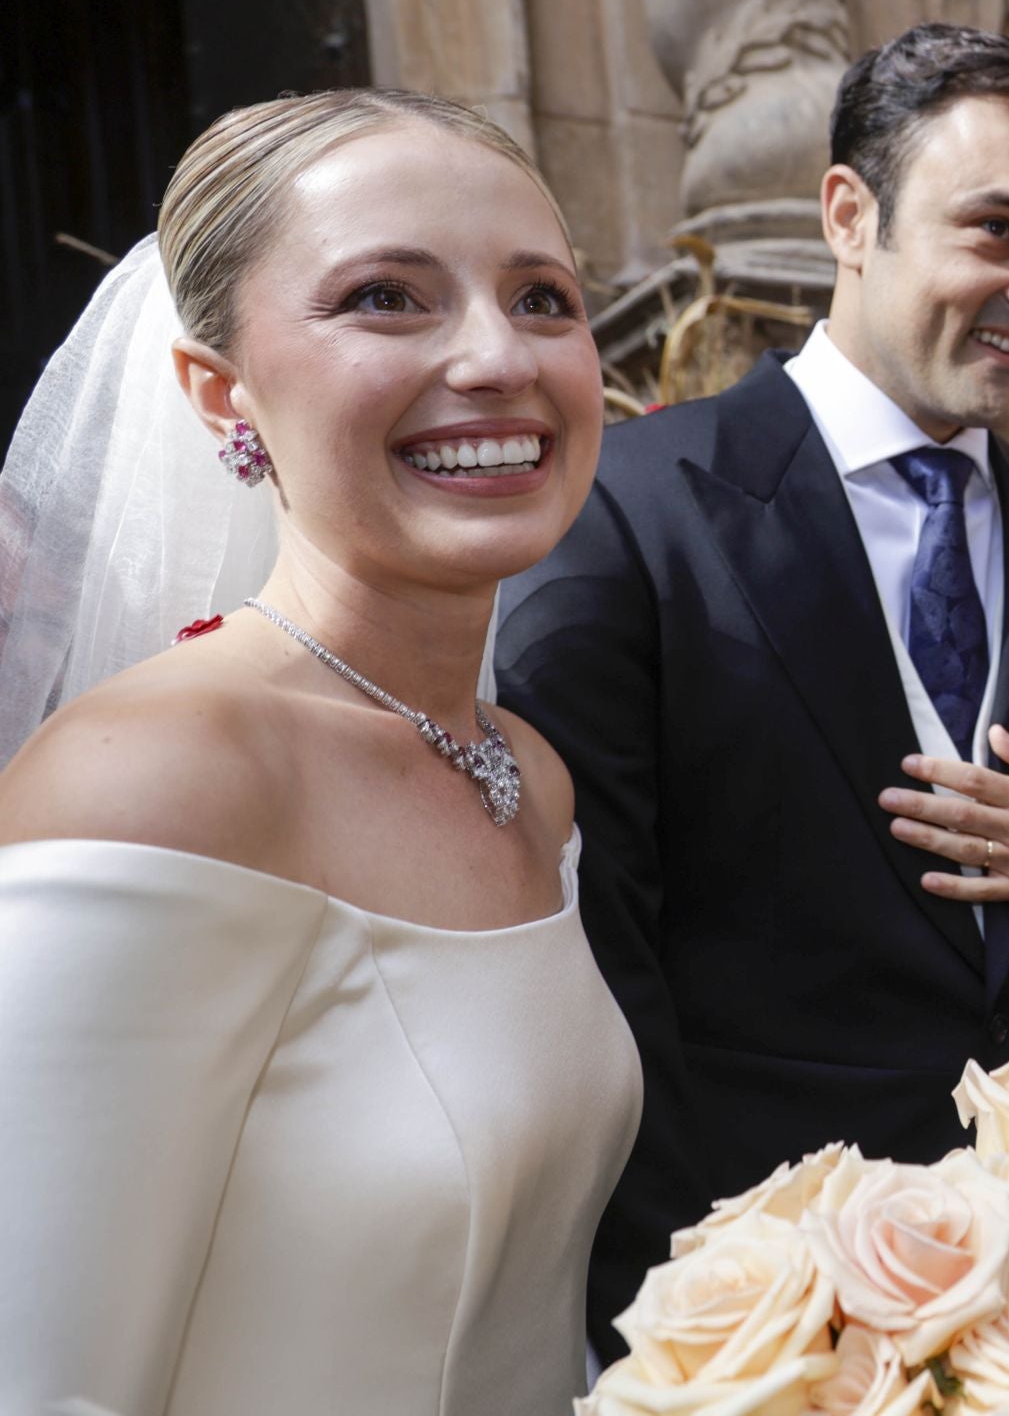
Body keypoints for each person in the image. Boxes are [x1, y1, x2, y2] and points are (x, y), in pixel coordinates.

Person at [495, 23, 1009, 1360]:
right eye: (996, 231)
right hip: (761, 1282)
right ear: (850, 214)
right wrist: (711, 1312)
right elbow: (598, 953)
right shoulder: (634, 509)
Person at [0, 90, 641, 1415]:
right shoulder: (156, 776)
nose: (497, 357)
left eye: (542, 298)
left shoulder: (525, 767)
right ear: (218, 387)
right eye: (386, 299)